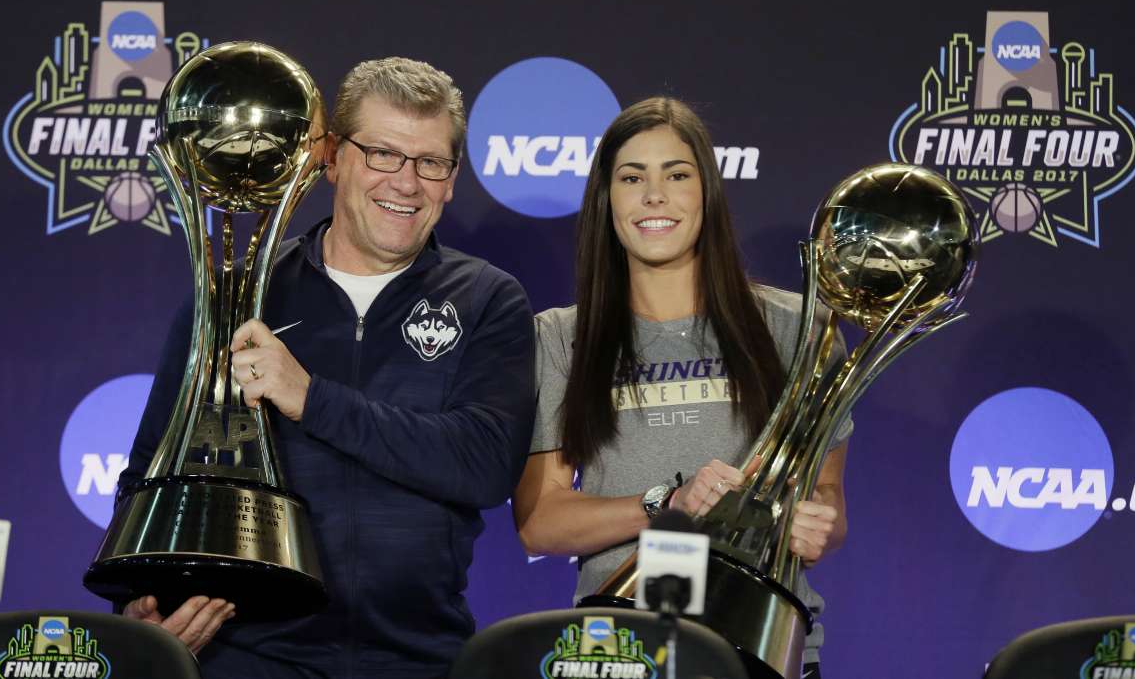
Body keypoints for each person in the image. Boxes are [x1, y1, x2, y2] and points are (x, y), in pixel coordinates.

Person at [117, 57, 535, 679]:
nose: (406, 182)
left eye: (431, 162)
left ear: (451, 180)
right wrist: (136, 598)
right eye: (383, 154)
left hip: (419, 659)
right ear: (333, 157)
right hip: (248, 658)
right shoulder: (235, 297)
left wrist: (309, 397)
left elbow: (483, 466)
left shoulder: (487, 299)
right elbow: (152, 466)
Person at [513, 97, 850, 678]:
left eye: (676, 175)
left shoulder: (798, 330)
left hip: (763, 644)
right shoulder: (559, 338)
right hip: (620, 651)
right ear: (606, 200)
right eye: (631, 177)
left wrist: (814, 523)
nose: (654, 197)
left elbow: (828, 499)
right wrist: (665, 504)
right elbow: (539, 521)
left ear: (707, 194)